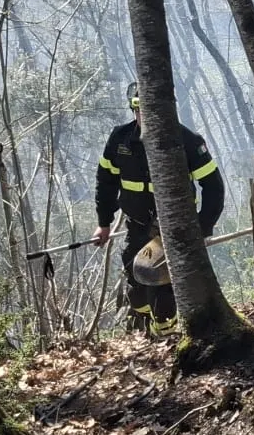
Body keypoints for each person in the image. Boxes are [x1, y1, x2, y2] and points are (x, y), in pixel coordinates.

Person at [91, 84, 225, 330]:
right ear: (134, 110)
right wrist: (104, 223)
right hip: (136, 226)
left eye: (152, 110)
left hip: (174, 232)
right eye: (140, 110)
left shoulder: (188, 141)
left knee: (162, 287)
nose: (145, 116)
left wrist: (203, 228)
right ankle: (145, 328)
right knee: (136, 284)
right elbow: (106, 182)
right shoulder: (119, 139)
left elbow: (214, 188)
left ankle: (167, 338)